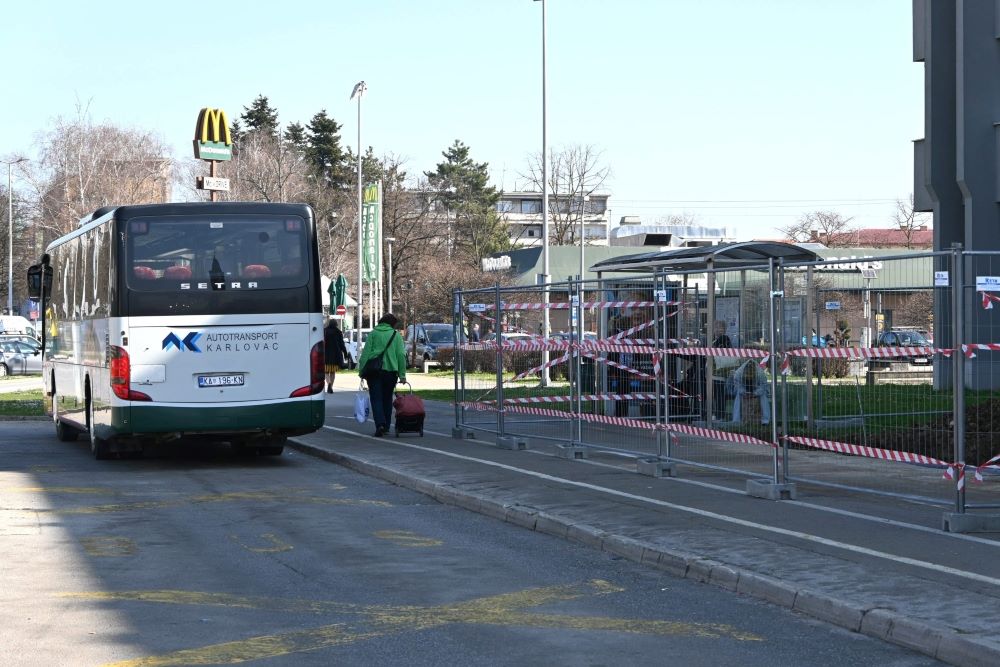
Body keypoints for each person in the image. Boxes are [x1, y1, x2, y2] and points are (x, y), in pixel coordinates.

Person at [357, 313, 407, 437]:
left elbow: (366, 353)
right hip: (391, 372)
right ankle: (386, 426)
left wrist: (362, 371)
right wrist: (402, 375)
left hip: (374, 371)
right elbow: (401, 355)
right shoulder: (396, 335)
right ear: (392, 324)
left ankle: (379, 424)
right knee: (387, 398)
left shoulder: (373, 334)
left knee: (376, 399)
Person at [323, 320, 350, 393]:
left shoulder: (324, 331)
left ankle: (328, 383)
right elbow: (342, 344)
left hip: (326, 354)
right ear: (336, 324)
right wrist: (345, 353)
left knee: (326, 372)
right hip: (336, 355)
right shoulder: (338, 332)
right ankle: (331, 386)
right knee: (332, 372)